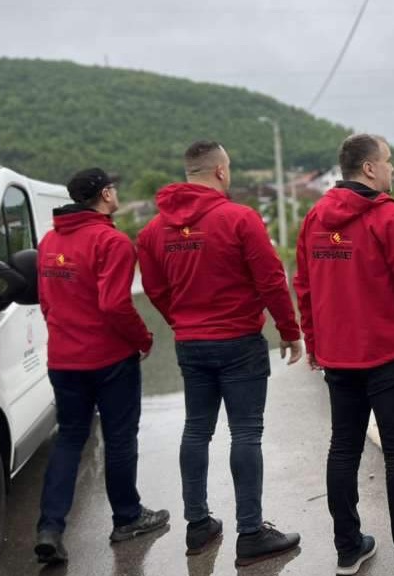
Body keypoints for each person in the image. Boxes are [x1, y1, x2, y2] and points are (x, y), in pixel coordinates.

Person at [294, 134, 394, 576]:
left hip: (338, 359)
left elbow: (304, 285)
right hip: (388, 356)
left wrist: (314, 342)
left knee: (343, 448)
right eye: (388, 161)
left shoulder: (314, 218)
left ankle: (349, 548)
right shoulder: (387, 216)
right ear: (368, 168)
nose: (392, 168)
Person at [137, 141, 303, 567]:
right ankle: (250, 533)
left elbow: (156, 289)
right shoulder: (239, 218)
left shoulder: (154, 231)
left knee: (196, 431)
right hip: (239, 343)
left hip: (192, 344)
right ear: (220, 172)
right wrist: (289, 331)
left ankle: (198, 526)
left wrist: (183, 323)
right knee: (245, 433)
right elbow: (270, 279)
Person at [34, 167, 170, 564]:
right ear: (105, 195)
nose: (116, 193)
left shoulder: (49, 241)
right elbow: (114, 304)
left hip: (64, 360)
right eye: (113, 188)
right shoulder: (111, 241)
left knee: (70, 438)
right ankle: (127, 517)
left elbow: (46, 301)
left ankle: (50, 527)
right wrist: (142, 339)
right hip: (109, 360)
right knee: (120, 438)